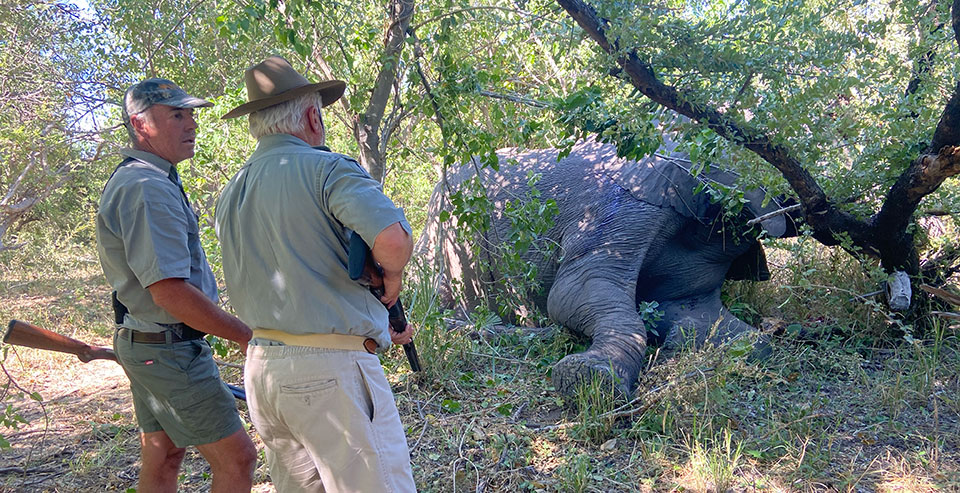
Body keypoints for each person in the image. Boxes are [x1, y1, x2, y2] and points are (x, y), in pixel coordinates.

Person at [216, 56, 417, 492]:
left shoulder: (232, 191)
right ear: (312, 116)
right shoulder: (326, 169)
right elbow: (394, 240)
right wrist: (393, 277)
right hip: (331, 373)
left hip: (264, 372)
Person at [96, 78, 257, 493]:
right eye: (177, 115)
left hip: (150, 344)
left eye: (191, 114)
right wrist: (244, 335)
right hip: (167, 351)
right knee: (238, 459)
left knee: (164, 453)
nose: (192, 125)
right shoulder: (147, 187)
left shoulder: (147, 178)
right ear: (140, 125)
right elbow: (168, 291)